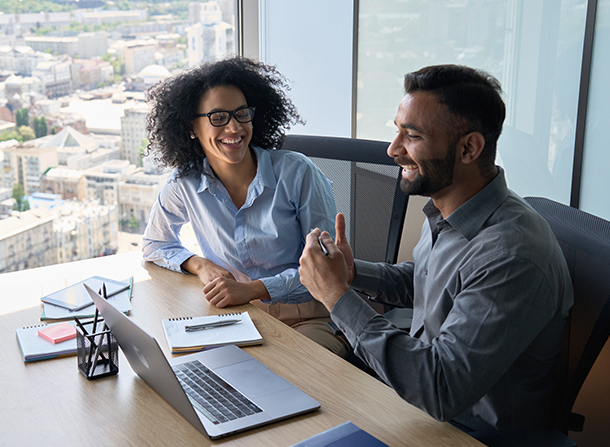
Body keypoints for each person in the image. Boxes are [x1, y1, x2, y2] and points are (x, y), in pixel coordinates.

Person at [298, 64, 574, 432]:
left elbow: (440, 388)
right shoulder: (451, 209)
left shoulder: (512, 254)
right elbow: (427, 280)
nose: (393, 150)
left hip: (462, 431)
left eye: (411, 136)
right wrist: (351, 274)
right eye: (396, 132)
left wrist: (336, 297)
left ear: (469, 148)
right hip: (412, 406)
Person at [142, 56, 349, 357]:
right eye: (218, 117)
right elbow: (155, 244)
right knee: (196, 371)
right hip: (239, 318)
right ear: (191, 128)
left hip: (310, 317)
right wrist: (201, 265)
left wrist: (254, 289)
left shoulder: (297, 173)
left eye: (241, 114)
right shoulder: (185, 183)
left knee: (286, 377)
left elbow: (328, 271)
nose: (234, 127)